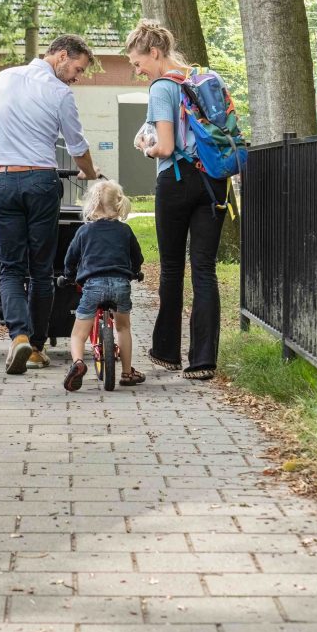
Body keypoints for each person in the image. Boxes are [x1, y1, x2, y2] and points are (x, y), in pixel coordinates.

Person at [0, 34, 99, 375]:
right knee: (42, 269)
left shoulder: (3, 78)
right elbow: (77, 146)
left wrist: (8, 158)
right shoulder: (60, 93)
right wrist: (89, 173)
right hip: (41, 182)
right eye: (77, 68)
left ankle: (19, 337)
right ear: (60, 55)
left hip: (1, 179)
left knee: (10, 266)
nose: (77, 77)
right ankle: (37, 346)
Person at [126, 19, 227, 381]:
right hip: (214, 181)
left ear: (154, 53)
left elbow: (166, 146)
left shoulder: (162, 88)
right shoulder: (208, 78)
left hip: (177, 179)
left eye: (139, 63)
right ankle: (203, 361)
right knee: (205, 268)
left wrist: (146, 148)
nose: (138, 71)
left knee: (171, 267)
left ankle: (167, 352)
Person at [62, 179, 145, 392]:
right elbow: (137, 257)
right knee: (123, 327)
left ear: (91, 205)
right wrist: (135, 272)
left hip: (93, 285)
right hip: (120, 285)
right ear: (119, 205)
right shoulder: (125, 230)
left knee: (78, 333)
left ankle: (78, 363)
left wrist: (69, 276)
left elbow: (70, 259)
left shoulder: (84, 232)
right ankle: (127, 373)